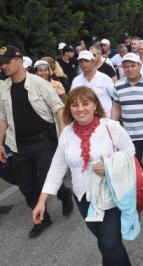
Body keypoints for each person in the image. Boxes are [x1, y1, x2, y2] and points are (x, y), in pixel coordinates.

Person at [32, 87, 134, 265]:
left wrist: (110, 165)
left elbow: (130, 151)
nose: (80, 109)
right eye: (74, 105)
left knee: (110, 244)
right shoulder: (67, 133)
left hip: (110, 196)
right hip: (83, 199)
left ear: (95, 105)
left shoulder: (110, 126)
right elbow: (57, 167)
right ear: (69, 108)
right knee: (105, 243)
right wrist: (42, 201)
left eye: (85, 103)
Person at [0, 45, 72, 238]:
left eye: (7, 62)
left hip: (43, 142)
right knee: (27, 185)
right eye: (1, 63)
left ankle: (64, 194)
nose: (3, 66)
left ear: (19, 60)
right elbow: (3, 118)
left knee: (48, 179)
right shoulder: (4, 88)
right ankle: (43, 218)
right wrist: (0, 143)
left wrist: (64, 136)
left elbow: (58, 108)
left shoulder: (39, 83)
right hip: (19, 145)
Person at [111, 53, 143, 181]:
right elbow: (116, 106)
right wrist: (112, 126)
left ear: (140, 66)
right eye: (126, 67)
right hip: (129, 135)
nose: (129, 69)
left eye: (133, 66)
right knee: (133, 166)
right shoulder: (118, 85)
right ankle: (141, 192)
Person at [71, 51, 114, 116]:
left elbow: (115, 98)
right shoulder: (76, 80)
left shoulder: (105, 78)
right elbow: (72, 100)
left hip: (104, 118)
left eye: (86, 61)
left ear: (93, 62)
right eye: (81, 61)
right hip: (85, 119)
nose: (83, 64)